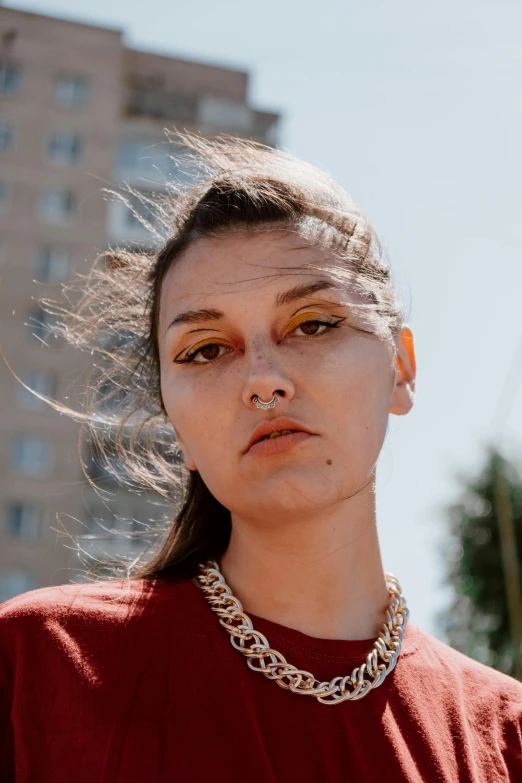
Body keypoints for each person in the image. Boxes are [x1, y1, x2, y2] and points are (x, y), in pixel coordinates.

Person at [0, 136, 521, 782]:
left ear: (401, 368)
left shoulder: (505, 735)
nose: (263, 380)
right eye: (206, 349)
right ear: (175, 425)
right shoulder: (39, 668)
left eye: (312, 324)